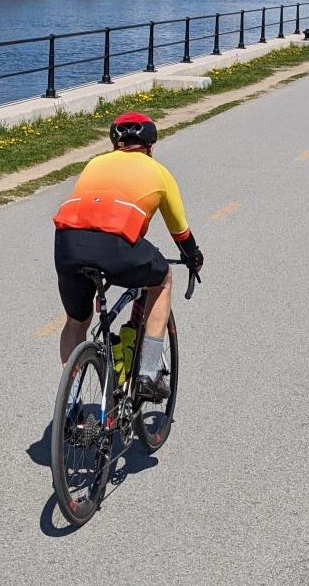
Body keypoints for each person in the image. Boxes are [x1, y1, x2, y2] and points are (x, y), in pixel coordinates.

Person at [53, 112, 205, 401]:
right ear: (151, 146)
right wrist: (193, 257)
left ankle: (70, 403)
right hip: (117, 244)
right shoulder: (158, 172)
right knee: (161, 280)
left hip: (68, 243)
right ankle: (148, 374)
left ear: (115, 145)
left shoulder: (94, 164)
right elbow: (181, 233)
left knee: (76, 323)